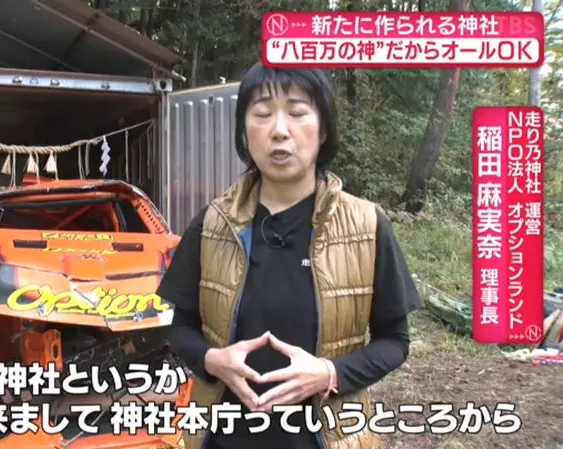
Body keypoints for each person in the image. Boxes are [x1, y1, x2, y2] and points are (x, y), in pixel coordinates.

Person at [157, 63, 422, 449]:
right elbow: (179, 327)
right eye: (262, 114)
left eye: (297, 112)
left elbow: (395, 341)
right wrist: (212, 360)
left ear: (324, 127)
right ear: (245, 132)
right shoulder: (213, 223)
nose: (279, 130)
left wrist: (329, 373)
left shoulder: (366, 225)